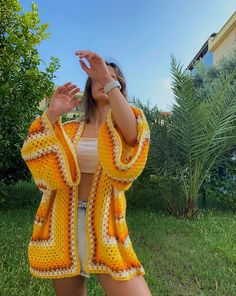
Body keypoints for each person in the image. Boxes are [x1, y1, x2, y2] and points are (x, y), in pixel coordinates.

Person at [21, 50, 151, 296]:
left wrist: (106, 78)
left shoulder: (126, 124)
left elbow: (134, 138)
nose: (103, 81)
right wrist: (51, 114)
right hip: (61, 226)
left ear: (119, 86)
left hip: (106, 225)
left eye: (111, 77)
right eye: (98, 79)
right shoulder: (69, 129)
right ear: (89, 88)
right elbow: (35, 153)